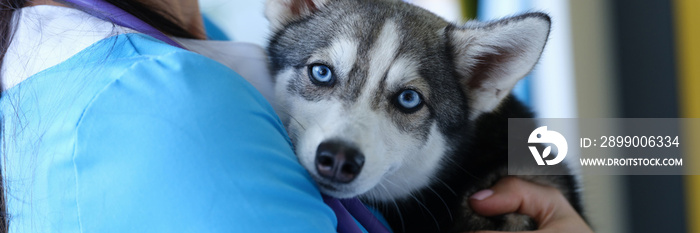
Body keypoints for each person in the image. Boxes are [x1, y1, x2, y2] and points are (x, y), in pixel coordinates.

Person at [0, 0, 592, 232]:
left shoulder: (200, 45)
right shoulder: (169, 103)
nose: (342, 138)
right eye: (324, 76)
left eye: (405, 99)